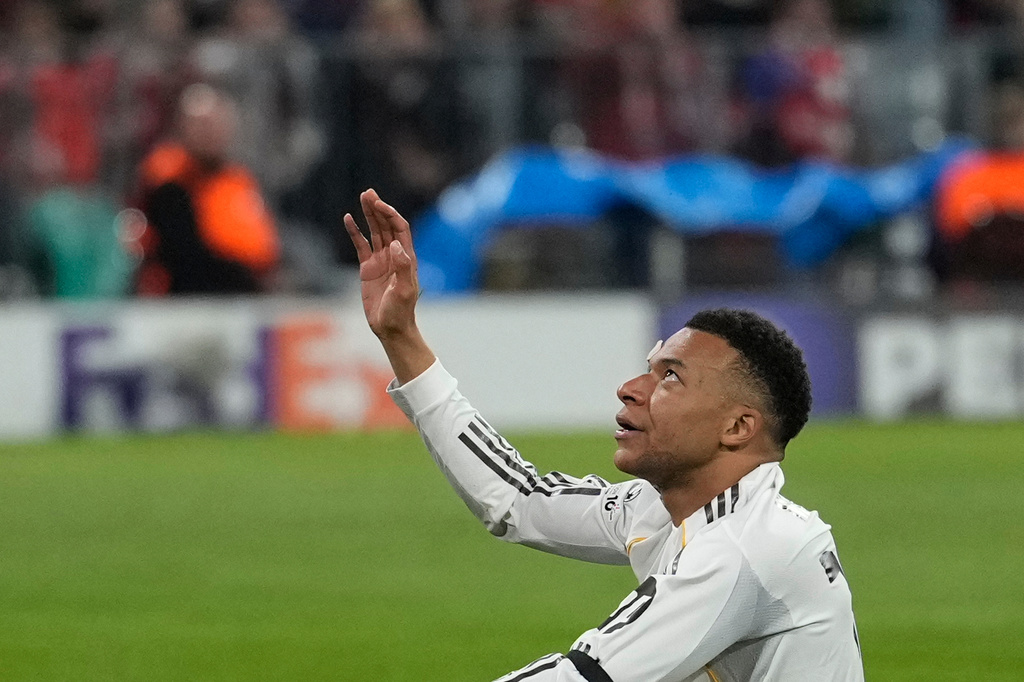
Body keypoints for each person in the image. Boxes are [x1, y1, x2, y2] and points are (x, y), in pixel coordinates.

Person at [344, 189, 865, 681]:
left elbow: (586, 675)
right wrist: (401, 336)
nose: (630, 389)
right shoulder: (667, 508)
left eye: (671, 377)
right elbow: (520, 499)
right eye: (650, 368)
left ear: (737, 427)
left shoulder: (745, 549)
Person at [135, 83, 280, 295]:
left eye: (215, 123)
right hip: (193, 300)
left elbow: (265, 245)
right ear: (181, 127)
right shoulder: (168, 182)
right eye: (200, 124)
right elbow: (186, 257)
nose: (209, 132)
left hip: (246, 297)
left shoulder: (239, 179)